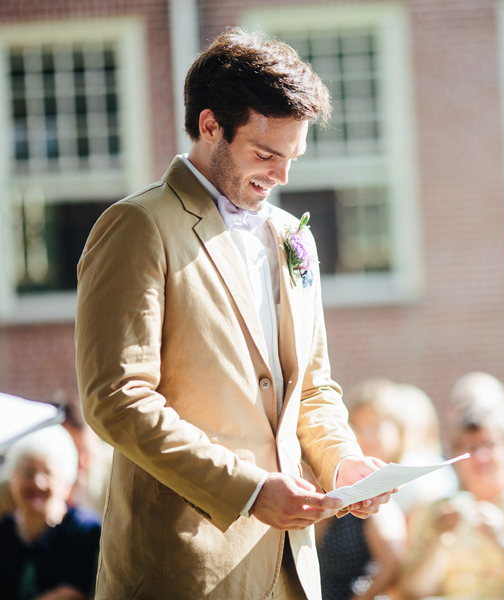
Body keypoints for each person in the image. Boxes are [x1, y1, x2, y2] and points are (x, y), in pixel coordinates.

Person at [74, 29, 392, 600]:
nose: (281, 178)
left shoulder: (293, 236)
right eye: (266, 154)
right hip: (183, 566)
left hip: (293, 570)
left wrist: (342, 464)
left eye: (292, 158)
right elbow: (117, 399)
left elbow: (312, 387)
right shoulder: (138, 227)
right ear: (210, 125)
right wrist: (247, 490)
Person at [401, 405, 504, 600]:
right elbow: (412, 591)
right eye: (471, 448)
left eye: (489, 445)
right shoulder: (439, 510)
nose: (480, 457)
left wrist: (502, 541)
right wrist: (438, 540)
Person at [316, 379, 407, 600]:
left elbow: (392, 561)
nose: (367, 437)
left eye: (376, 427)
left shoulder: (383, 494)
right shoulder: (346, 486)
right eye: (358, 428)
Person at [0, 425, 101, 600]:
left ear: (65, 481)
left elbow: (72, 593)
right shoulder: (5, 530)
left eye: (48, 473)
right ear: (13, 477)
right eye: (28, 472)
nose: (38, 483)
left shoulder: (84, 529)